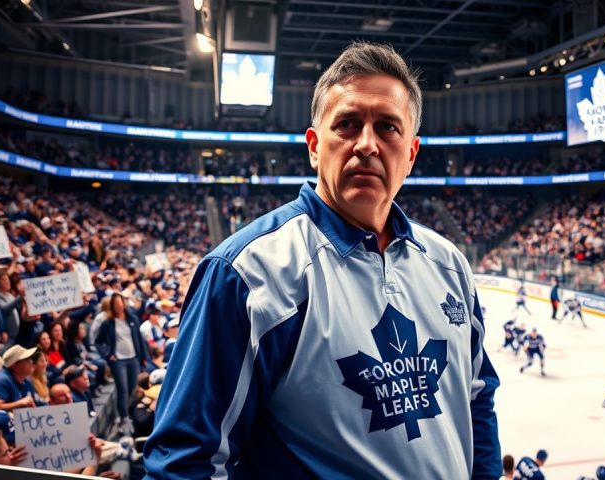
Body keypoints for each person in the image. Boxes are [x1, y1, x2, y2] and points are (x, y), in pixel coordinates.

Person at [144, 42, 501, 479]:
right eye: (347, 124)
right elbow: (186, 462)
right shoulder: (246, 274)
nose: (366, 144)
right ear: (314, 147)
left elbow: (476, 396)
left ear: (411, 154)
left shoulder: (450, 265)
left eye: (388, 127)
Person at [95, 293, 148, 433]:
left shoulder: (133, 319)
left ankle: (126, 413)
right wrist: (108, 355)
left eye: (120, 303)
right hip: (118, 361)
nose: (119, 306)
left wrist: (143, 357)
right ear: (112, 306)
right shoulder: (108, 323)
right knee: (122, 390)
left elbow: (139, 339)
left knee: (132, 389)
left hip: (133, 358)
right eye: (116, 304)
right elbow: (98, 342)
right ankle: (124, 418)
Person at [0, 345, 41, 411]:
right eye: (27, 360)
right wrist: (19, 403)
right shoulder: (0, 381)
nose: (31, 362)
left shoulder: (26, 382)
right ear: (15, 366)